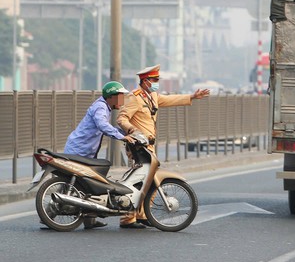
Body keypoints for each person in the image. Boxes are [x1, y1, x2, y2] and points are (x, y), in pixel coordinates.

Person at [116, 64, 210, 229]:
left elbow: (169, 100)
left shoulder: (152, 96)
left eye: (157, 80)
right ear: (145, 81)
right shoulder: (134, 97)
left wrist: (192, 97)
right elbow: (122, 118)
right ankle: (127, 218)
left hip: (149, 146)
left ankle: (142, 215)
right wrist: (132, 130)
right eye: (154, 80)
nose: (156, 83)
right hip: (138, 147)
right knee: (136, 180)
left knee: (151, 179)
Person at [63, 81, 136, 230]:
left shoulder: (104, 107)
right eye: (120, 96)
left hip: (84, 151)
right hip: (78, 151)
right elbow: (102, 125)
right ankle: (51, 216)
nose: (122, 100)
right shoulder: (101, 107)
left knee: (88, 185)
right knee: (85, 181)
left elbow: (106, 127)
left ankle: (90, 219)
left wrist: (126, 133)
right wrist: (121, 137)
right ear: (112, 97)